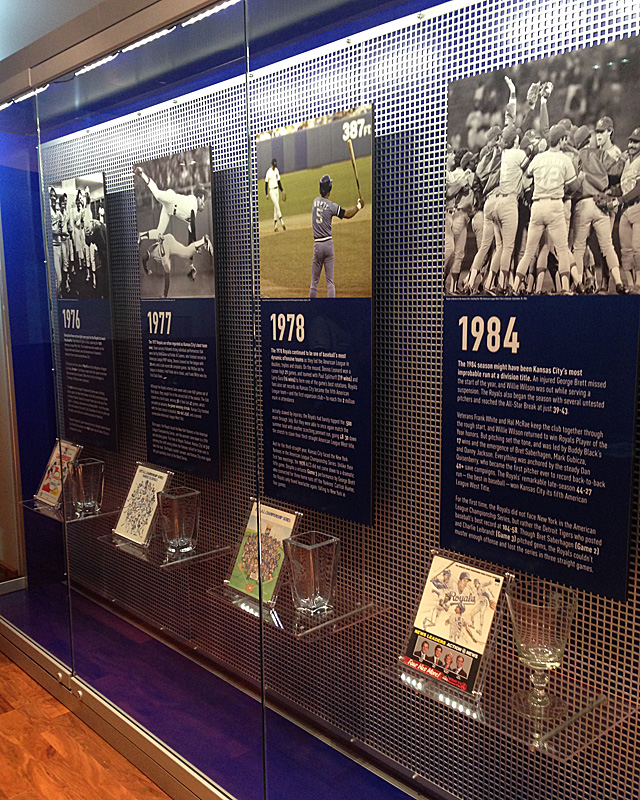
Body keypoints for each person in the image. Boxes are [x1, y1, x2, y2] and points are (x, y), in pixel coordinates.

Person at [511, 124, 581, 294]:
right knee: (563, 248)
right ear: (562, 139)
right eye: (564, 139)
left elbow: (526, 173)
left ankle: (514, 287)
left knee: (528, 252)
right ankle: (565, 287)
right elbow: (575, 186)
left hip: (537, 205)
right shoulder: (565, 159)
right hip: (555, 204)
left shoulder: (539, 158)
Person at [309, 174, 363, 298]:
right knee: (330, 282)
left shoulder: (315, 202)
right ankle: (331, 309)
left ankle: (311, 307)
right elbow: (348, 214)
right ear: (330, 189)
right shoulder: (331, 206)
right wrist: (359, 206)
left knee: (314, 283)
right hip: (328, 245)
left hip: (317, 246)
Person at [135, 166, 207, 244]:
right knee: (157, 195)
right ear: (199, 198)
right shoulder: (193, 200)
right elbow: (193, 225)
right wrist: (196, 243)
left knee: (159, 233)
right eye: (203, 200)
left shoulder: (193, 214)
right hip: (171, 199)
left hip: (169, 210)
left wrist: (191, 250)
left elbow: (190, 234)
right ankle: (142, 174)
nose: (204, 204)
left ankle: (141, 236)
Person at [608, 128, 640, 292]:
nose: (632, 145)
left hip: (638, 207)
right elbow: (624, 186)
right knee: (625, 250)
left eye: (636, 142)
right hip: (625, 209)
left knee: (637, 248)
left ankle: (639, 284)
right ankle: (630, 284)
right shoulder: (628, 161)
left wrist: (619, 199)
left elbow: (638, 189)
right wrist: (612, 192)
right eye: (631, 141)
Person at [141, 232, 213, 298]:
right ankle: (203, 241)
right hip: (169, 239)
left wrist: (146, 270)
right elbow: (144, 259)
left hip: (165, 245)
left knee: (167, 265)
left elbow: (144, 258)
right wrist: (146, 269)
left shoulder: (159, 256)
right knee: (186, 252)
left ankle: (165, 295)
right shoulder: (161, 256)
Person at [265, 158, 286, 232]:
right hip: (271, 191)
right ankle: (282, 222)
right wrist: (266, 194)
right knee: (277, 205)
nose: (274, 167)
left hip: (277, 190)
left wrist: (282, 190)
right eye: (273, 165)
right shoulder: (268, 172)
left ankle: (275, 226)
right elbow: (266, 183)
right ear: (271, 164)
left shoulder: (276, 170)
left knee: (275, 208)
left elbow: (279, 181)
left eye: (275, 165)